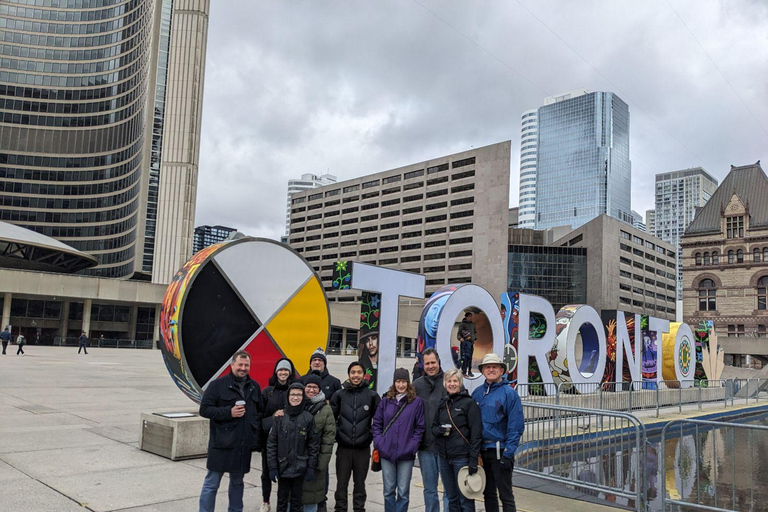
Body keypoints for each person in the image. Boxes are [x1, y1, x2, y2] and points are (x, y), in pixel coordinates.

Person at [198, 350, 262, 512]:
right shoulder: (217, 385)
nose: (243, 368)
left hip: (241, 446)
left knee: (237, 483)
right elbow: (204, 410)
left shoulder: (254, 387)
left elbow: (259, 412)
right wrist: (229, 412)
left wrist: (254, 436)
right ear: (232, 365)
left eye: (246, 365)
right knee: (211, 483)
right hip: (221, 443)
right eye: (240, 364)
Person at [471, 354, 524, 512]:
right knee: (488, 494)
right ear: (483, 370)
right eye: (488, 367)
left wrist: (508, 453)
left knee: (505, 495)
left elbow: (516, 426)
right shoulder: (477, 393)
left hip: (501, 452)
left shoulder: (509, 394)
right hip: (483, 451)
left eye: (495, 366)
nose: (491, 369)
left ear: (501, 370)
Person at [330, 361, 381, 512]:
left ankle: (359, 509)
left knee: (360, 484)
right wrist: (338, 434)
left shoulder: (371, 395)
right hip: (344, 448)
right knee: (341, 485)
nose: (356, 375)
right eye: (353, 372)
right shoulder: (339, 394)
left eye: (359, 372)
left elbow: (379, 420)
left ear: (363, 375)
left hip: (362, 449)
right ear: (349, 375)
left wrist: (369, 436)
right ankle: (340, 509)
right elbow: (331, 419)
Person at [372, 368, 425, 512]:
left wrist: (411, 447)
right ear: (394, 383)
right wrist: (379, 443)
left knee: (403, 492)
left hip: (406, 454)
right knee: (388, 490)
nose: (401, 385)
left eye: (403, 382)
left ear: (408, 383)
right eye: (398, 381)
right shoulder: (385, 401)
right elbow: (376, 424)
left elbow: (420, 428)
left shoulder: (416, 402)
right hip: (386, 452)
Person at [432, 368, 483, 512]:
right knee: (451, 498)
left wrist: (473, 460)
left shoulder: (469, 404)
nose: (452, 384)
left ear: (460, 383)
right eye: (449, 381)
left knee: (465, 499)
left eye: (455, 381)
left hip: (462, 458)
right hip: (444, 458)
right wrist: (439, 431)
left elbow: (476, 434)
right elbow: (433, 428)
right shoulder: (443, 404)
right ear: (445, 383)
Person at [267, 382, 321, 512]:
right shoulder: (280, 417)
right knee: (281, 502)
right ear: (288, 396)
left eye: (299, 395)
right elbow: (271, 443)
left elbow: (313, 445)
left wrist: (311, 467)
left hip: (300, 468)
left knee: (296, 503)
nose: (295, 398)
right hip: (283, 467)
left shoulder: (308, 418)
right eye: (293, 395)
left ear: (303, 397)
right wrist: (272, 466)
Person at [300, 349, 340, 512]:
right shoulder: (301, 380)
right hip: (302, 440)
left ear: (325, 363)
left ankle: (321, 501)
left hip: (324, 433)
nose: (317, 362)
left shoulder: (334, 381)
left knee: (322, 471)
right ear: (310, 363)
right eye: (314, 360)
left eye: (320, 360)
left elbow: (338, 407)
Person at [260, 358, 298, 512]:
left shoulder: (296, 390)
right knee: (267, 471)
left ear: (290, 372)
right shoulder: (267, 391)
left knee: (286, 473)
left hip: (290, 440)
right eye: (280, 370)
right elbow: (260, 417)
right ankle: (265, 501)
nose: (283, 373)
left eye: (286, 370)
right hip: (269, 439)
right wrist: (274, 416)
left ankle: (285, 502)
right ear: (276, 372)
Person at [413, 349, 447, 512]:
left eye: (433, 362)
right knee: (430, 489)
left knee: (449, 489)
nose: (431, 366)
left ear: (438, 362)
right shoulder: (417, 385)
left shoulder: (450, 381)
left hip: (446, 446)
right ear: (422, 364)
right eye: (427, 363)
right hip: (425, 447)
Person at [458, 313, 476, 377]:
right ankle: (464, 371)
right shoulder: (462, 324)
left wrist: (474, 338)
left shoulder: (472, 324)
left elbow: (475, 332)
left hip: (471, 344)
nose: (470, 318)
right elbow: (459, 334)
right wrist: (460, 338)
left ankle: (470, 371)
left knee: (470, 358)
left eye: (471, 316)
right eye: (469, 316)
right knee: (464, 358)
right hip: (465, 344)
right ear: (466, 317)